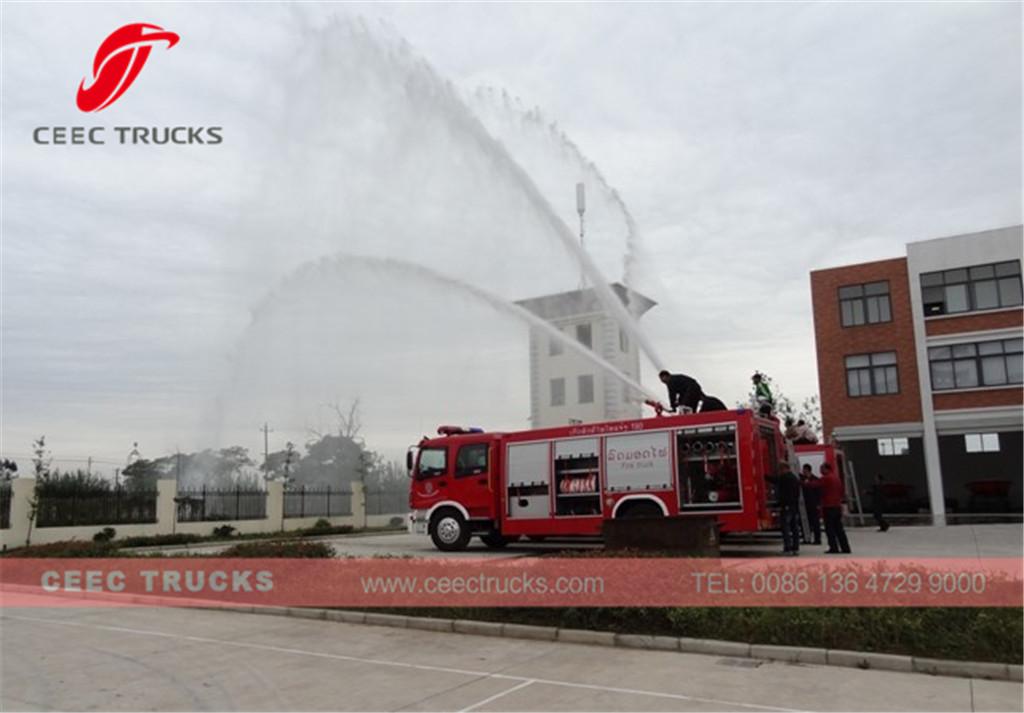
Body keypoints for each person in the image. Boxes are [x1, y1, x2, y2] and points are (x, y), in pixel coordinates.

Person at [804, 462, 851, 554]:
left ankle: (834, 547)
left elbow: (814, 485)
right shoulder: (836, 478)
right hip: (837, 506)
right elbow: (841, 491)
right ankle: (845, 547)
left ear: (826, 469)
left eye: (821, 469)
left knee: (830, 529)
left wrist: (804, 482)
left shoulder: (826, 478)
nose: (820, 471)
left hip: (828, 507)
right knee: (839, 529)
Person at [766, 460, 802, 556]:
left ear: (784, 468)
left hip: (786, 506)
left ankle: (788, 548)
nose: (779, 471)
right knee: (794, 528)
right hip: (793, 506)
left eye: (780, 469)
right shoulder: (794, 478)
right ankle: (795, 547)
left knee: (786, 528)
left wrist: (764, 476)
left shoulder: (785, 477)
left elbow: (775, 480)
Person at [799, 463, 822, 545]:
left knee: (815, 523)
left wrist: (818, 504)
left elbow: (818, 493)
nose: (803, 471)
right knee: (805, 522)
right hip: (804, 505)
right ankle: (806, 538)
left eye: (804, 470)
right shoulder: (802, 478)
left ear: (808, 470)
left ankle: (817, 539)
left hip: (813, 504)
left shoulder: (815, 479)